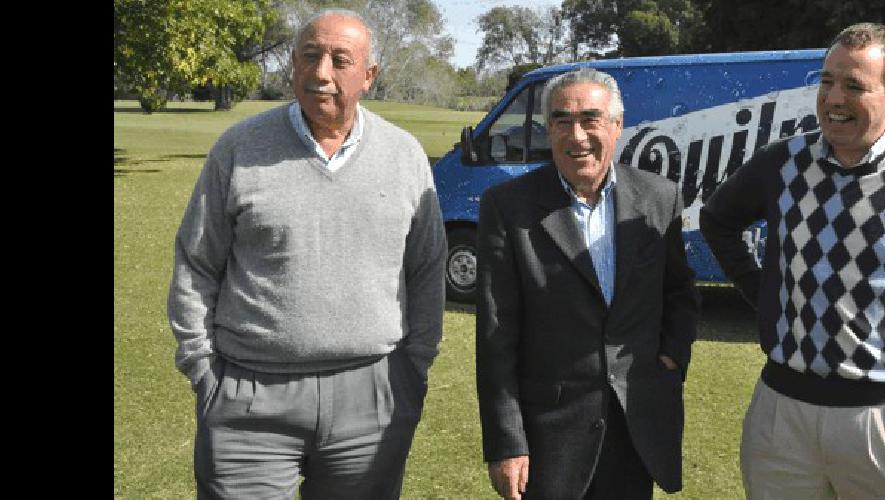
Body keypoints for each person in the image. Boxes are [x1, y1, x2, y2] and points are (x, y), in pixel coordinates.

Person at [700, 22, 885, 499]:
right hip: (782, 414)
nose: (833, 98)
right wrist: (765, 295)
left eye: (854, 86)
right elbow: (717, 219)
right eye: (826, 81)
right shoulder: (784, 163)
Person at [166, 8, 446, 498]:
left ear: (369, 76)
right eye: (310, 56)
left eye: (341, 60)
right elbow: (196, 263)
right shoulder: (239, 147)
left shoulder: (404, 156)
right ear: (293, 64)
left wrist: (412, 368)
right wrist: (203, 369)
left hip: (372, 398)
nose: (322, 73)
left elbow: (426, 269)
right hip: (247, 401)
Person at [475, 67, 701, 500]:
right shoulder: (508, 206)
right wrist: (506, 442)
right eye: (562, 121)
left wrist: (672, 356)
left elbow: (679, 291)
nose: (576, 136)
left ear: (617, 126)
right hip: (550, 435)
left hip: (636, 425)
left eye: (590, 120)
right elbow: (496, 335)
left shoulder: (659, 197)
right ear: (548, 130)